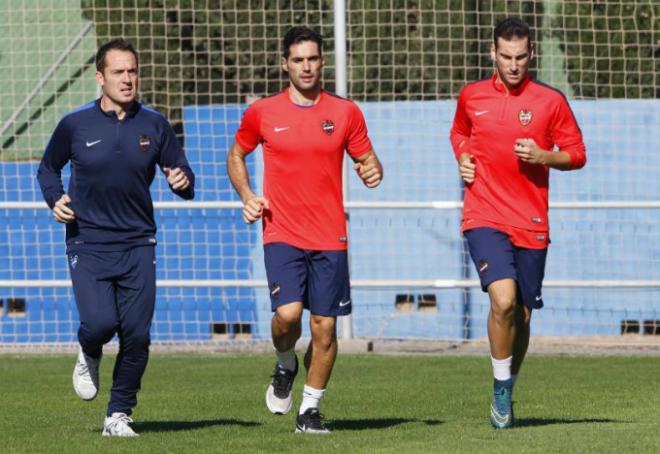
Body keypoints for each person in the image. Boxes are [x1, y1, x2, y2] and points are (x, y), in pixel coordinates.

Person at [227, 26, 383, 434]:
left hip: (330, 235)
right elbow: (237, 154)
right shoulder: (263, 112)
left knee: (325, 327)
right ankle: (284, 364)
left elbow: (368, 158)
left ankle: (309, 411)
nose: (306, 66)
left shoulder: (346, 112)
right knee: (287, 315)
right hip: (281, 231)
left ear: (322, 61)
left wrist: (372, 170)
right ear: (285, 64)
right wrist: (247, 195)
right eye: (298, 60)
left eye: (312, 58)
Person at [37, 38, 195, 437]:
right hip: (87, 242)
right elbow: (47, 169)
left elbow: (183, 175)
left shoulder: (155, 124)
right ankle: (89, 350)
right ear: (100, 77)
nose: (127, 79)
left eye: (132, 71)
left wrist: (182, 180)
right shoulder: (75, 125)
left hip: (139, 243)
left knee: (138, 334)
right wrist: (55, 199)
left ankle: (118, 414)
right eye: (118, 72)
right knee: (99, 322)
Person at [449, 17, 586, 429]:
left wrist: (546, 157)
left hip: (531, 221)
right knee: (503, 300)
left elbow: (577, 153)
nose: (513, 65)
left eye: (520, 57)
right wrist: (463, 159)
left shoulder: (550, 101)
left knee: (522, 315)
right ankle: (500, 387)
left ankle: (507, 386)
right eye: (505, 56)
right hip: (484, 214)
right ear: (493, 53)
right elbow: (458, 133)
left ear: (531, 54)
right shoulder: (471, 96)